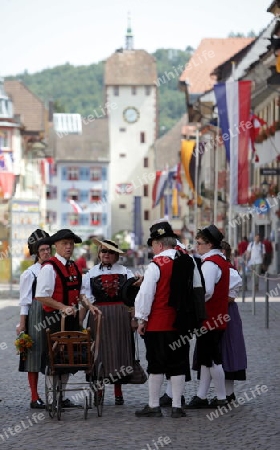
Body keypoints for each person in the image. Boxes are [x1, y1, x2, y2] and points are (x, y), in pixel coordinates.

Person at [35, 229, 100, 408]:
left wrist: (89, 305)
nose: (69, 247)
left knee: (68, 359)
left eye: (71, 244)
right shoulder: (49, 267)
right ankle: (51, 399)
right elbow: (41, 295)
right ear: (56, 245)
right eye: (65, 243)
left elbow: (80, 294)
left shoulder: (74, 267)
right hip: (54, 320)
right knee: (53, 358)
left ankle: (61, 397)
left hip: (71, 319)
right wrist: (62, 307)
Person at [134, 222, 193, 419]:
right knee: (178, 363)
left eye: (152, 244)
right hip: (181, 323)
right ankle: (177, 406)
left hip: (158, 323)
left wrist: (141, 319)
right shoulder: (187, 261)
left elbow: (146, 294)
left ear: (159, 245)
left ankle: (154, 405)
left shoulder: (156, 265)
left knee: (156, 364)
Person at [81, 238, 141, 405]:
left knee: (119, 352)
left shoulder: (126, 272)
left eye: (110, 252)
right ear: (99, 254)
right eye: (103, 251)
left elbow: (132, 299)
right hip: (98, 316)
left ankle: (118, 391)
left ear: (116, 256)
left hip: (121, 316)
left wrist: (134, 319)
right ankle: (99, 391)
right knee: (99, 353)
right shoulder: (91, 273)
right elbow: (86, 300)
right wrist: (79, 322)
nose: (106, 254)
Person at [186, 225, 230, 409]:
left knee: (212, 359)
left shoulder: (211, 263)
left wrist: (193, 303)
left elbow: (206, 291)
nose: (197, 246)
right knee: (206, 358)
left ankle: (221, 398)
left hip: (209, 317)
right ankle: (201, 396)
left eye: (200, 243)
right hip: (216, 317)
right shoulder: (220, 261)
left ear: (210, 244)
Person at [17, 229, 51, 409]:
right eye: (42, 250)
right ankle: (34, 396)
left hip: (54, 311)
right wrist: (22, 323)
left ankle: (57, 394)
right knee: (34, 355)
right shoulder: (30, 273)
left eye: (48, 249)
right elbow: (25, 301)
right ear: (36, 252)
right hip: (37, 314)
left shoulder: (55, 268)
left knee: (55, 353)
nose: (46, 252)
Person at [220, 241, 247, 402]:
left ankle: (229, 393)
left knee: (229, 350)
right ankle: (221, 393)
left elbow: (231, 297)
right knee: (217, 352)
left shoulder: (230, 271)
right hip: (219, 312)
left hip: (227, 313)